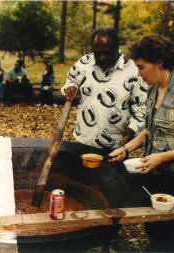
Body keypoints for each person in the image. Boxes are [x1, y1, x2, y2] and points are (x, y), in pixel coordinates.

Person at [109, 34, 174, 252]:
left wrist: (163, 157)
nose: (139, 74)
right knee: (154, 225)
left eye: (142, 67)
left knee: (173, 232)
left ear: (159, 62)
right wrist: (126, 148)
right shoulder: (154, 88)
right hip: (158, 172)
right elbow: (152, 129)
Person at [62, 26, 148, 207]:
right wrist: (69, 88)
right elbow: (70, 81)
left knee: (111, 191)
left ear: (117, 48)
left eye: (106, 53)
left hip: (115, 146)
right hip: (84, 139)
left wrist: (133, 127)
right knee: (82, 186)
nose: (101, 58)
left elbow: (141, 108)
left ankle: (109, 226)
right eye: (97, 52)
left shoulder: (133, 71)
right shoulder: (84, 62)